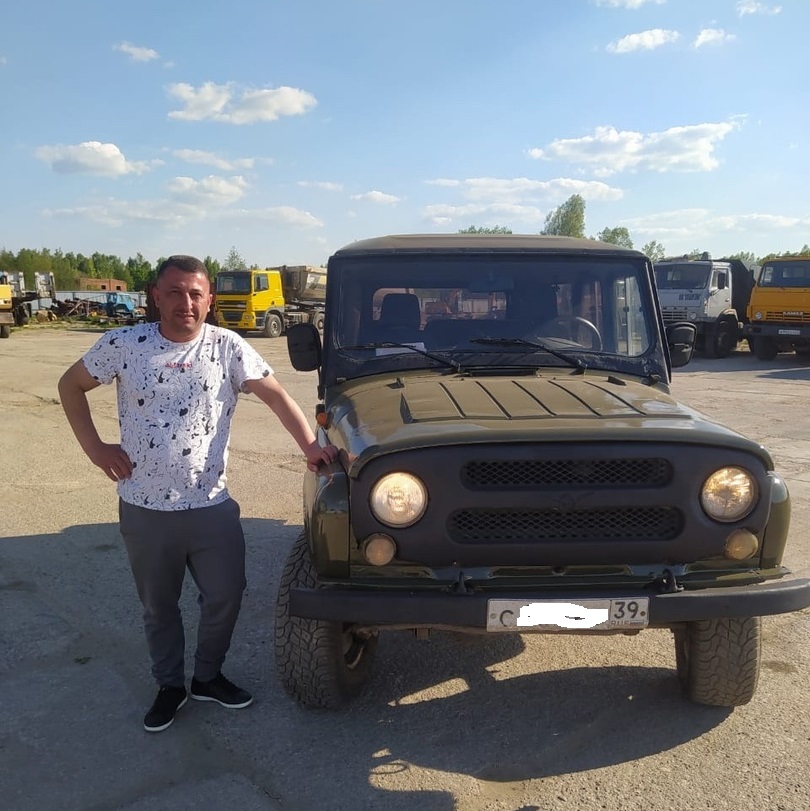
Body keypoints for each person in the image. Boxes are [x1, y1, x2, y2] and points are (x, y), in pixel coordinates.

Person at [58, 255, 337, 733]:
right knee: (159, 607)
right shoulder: (124, 344)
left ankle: (207, 676)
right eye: (174, 292)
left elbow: (276, 396)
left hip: (210, 506)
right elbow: (70, 386)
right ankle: (169, 685)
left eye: (194, 294)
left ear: (209, 300)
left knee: (226, 594)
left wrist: (312, 447)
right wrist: (95, 448)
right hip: (145, 508)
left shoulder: (228, 347)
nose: (184, 303)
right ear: (156, 296)